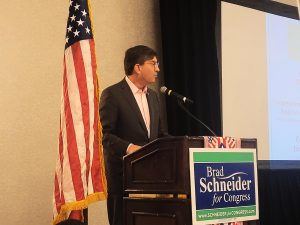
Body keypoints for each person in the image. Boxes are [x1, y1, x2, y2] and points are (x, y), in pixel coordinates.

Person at [99, 45, 168, 225]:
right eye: (153, 64)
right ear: (138, 67)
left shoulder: (153, 97)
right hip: (123, 178)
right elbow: (105, 136)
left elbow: (159, 134)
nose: (158, 69)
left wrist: (184, 143)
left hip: (151, 178)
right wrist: (131, 149)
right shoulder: (112, 94)